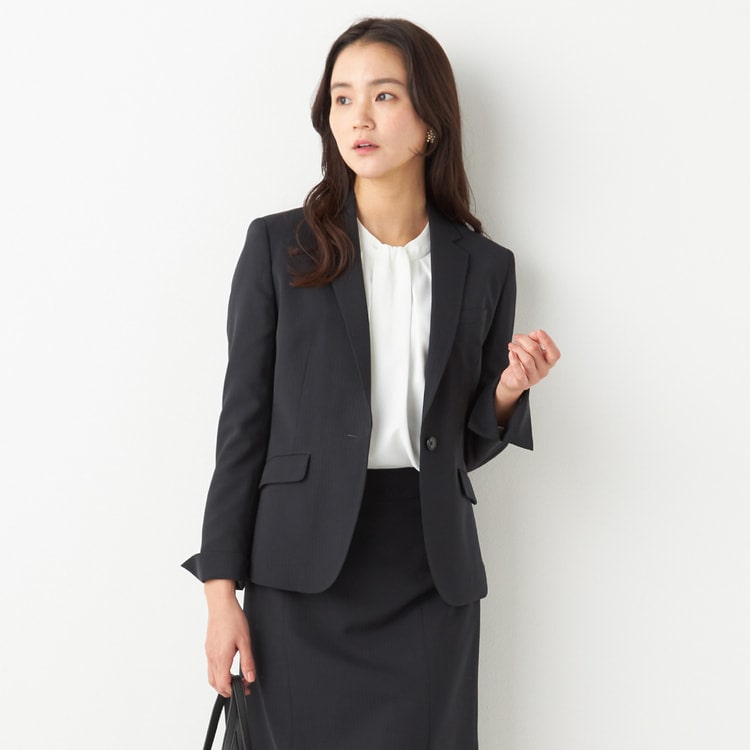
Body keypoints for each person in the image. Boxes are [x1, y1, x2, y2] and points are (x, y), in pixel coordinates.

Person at [183, 16, 560, 749]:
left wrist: (510, 392)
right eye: (342, 98)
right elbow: (242, 430)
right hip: (298, 571)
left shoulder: (485, 267)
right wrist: (219, 593)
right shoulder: (279, 247)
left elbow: (462, 445)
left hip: (428, 569)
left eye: (384, 95)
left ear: (431, 121)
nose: (359, 116)